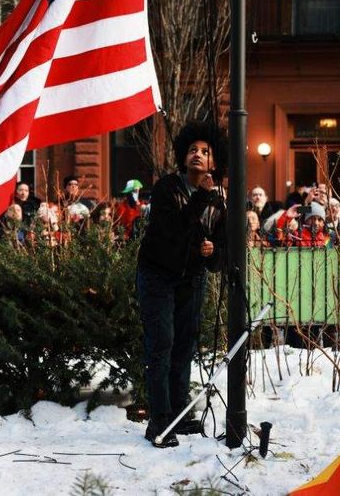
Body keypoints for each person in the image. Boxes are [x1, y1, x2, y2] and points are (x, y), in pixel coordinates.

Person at [136, 121, 226, 448]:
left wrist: (213, 251)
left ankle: (178, 413)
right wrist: (201, 195)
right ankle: (158, 422)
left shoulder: (219, 203)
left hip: (192, 278)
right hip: (157, 274)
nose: (197, 155)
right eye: (192, 150)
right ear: (183, 156)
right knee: (162, 344)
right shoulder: (166, 188)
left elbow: (221, 254)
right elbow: (172, 231)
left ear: (215, 162)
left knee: (184, 345)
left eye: (205, 151)